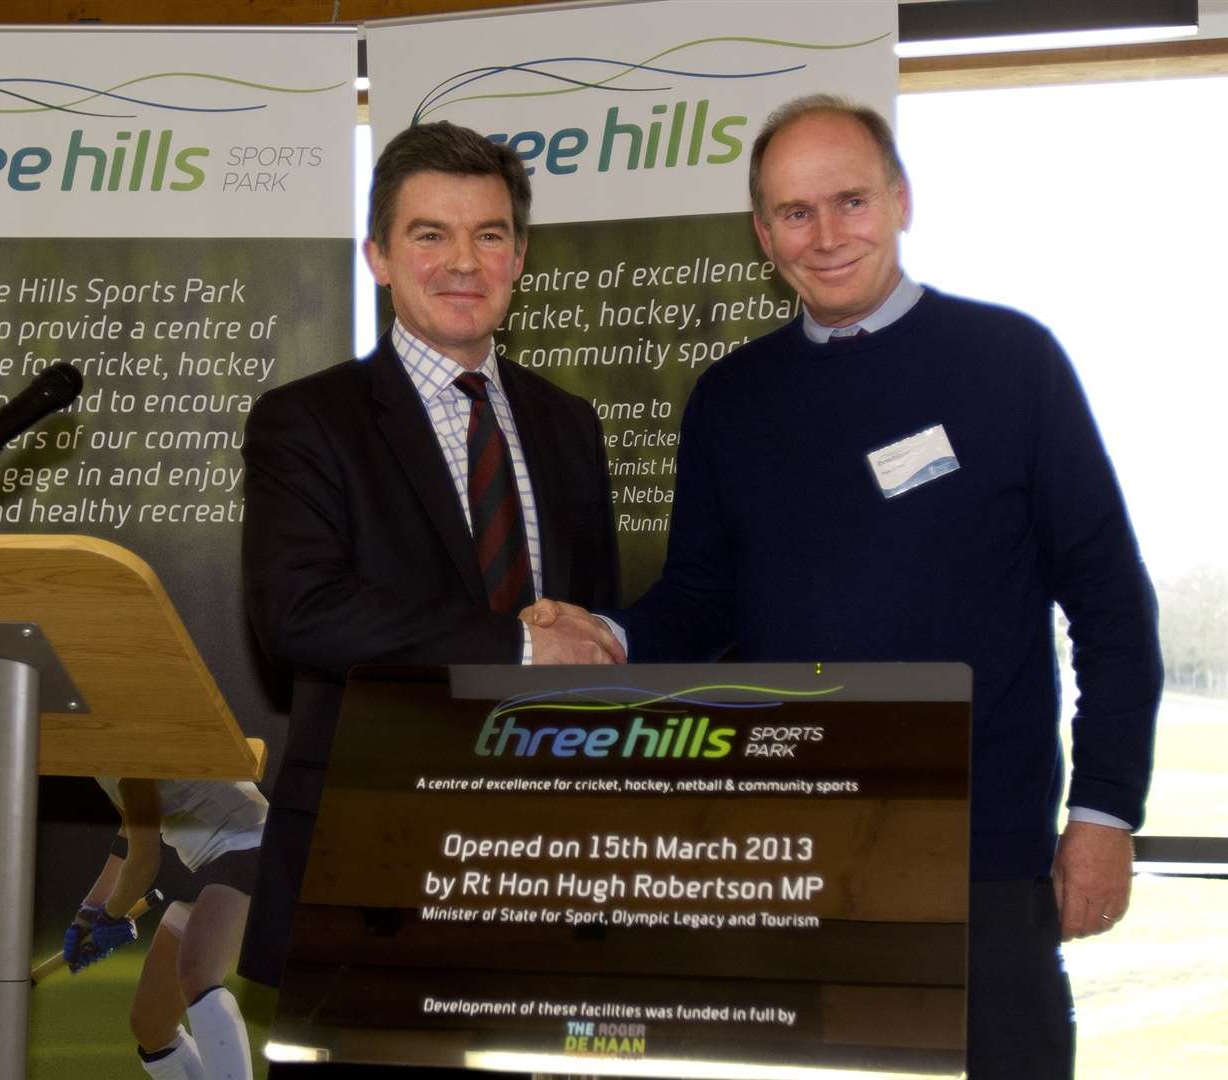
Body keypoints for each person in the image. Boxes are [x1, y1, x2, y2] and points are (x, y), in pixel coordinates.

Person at [528, 94, 1162, 1078]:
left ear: (901, 200)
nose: (825, 236)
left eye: (851, 201)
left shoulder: (1012, 361)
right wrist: (611, 638)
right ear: (760, 233)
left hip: (983, 859)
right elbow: (700, 600)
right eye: (794, 212)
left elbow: (1112, 608)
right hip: (791, 859)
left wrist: (1104, 814)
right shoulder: (731, 400)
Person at [237, 120, 623, 1063]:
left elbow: (592, 618)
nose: (463, 261)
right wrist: (520, 647)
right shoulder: (306, 421)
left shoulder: (569, 425)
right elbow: (301, 613)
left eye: (489, 234)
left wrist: (595, 637)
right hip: (369, 854)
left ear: (521, 258)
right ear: (377, 255)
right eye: (429, 234)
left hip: (545, 858)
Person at [66, 776, 267, 1080]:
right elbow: (129, 831)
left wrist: (109, 918)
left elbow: (144, 861)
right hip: (217, 860)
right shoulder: (100, 757)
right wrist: (88, 916)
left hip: (253, 843)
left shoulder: (123, 742)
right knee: (151, 1022)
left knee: (197, 972)